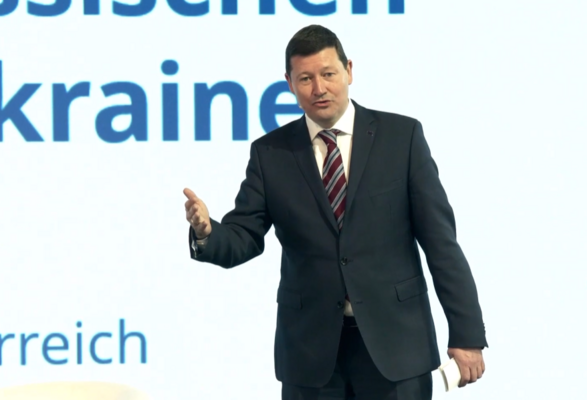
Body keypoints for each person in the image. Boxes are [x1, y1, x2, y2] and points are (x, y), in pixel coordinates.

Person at [184, 24, 487, 400]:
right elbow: (243, 237)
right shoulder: (271, 154)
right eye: (305, 79)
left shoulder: (402, 138)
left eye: (328, 74)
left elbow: (441, 243)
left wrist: (466, 334)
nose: (319, 88)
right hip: (311, 357)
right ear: (289, 84)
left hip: (396, 349)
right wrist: (206, 232)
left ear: (349, 71)